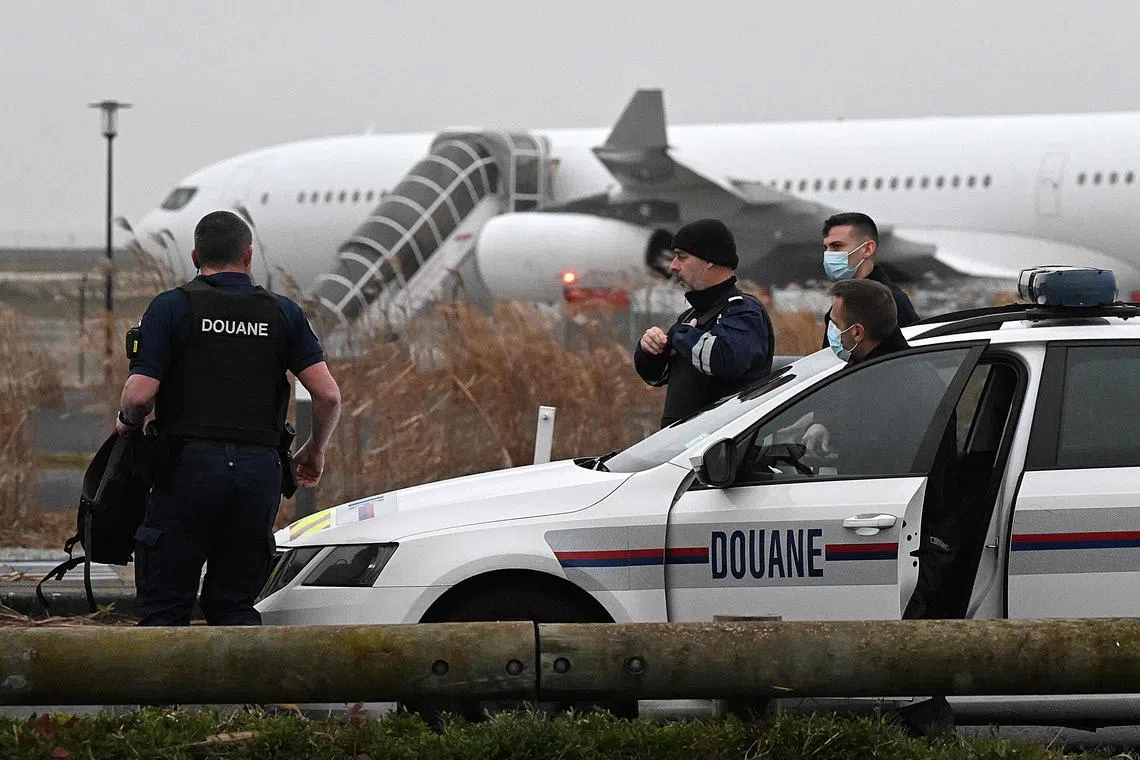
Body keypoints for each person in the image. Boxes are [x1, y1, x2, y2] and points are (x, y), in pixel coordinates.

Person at [115, 210, 342, 626]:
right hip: (258, 474)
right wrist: (314, 450)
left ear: (196, 255)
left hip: (186, 469)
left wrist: (127, 424)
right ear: (248, 255)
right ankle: (241, 692)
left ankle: (165, 692)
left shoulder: (172, 307)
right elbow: (327, 394)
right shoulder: (283, 313)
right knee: (234, 606)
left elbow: (140, 395)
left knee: (165, 608)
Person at [634, 218, 775, 428]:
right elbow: (657, 377)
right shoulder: (691, 314)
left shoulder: (744, 312)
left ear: (709, 260)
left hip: (722, 448)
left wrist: (680, 336)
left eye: (682, 257)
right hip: (681, 445)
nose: (673, 266)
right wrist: (651, 350)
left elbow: (724, 359)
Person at [820, 212, 919, 349]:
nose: (828, 255)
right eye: (826, 248)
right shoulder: (846, 297)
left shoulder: (889, 302)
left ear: (867, 249)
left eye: (837, 246)